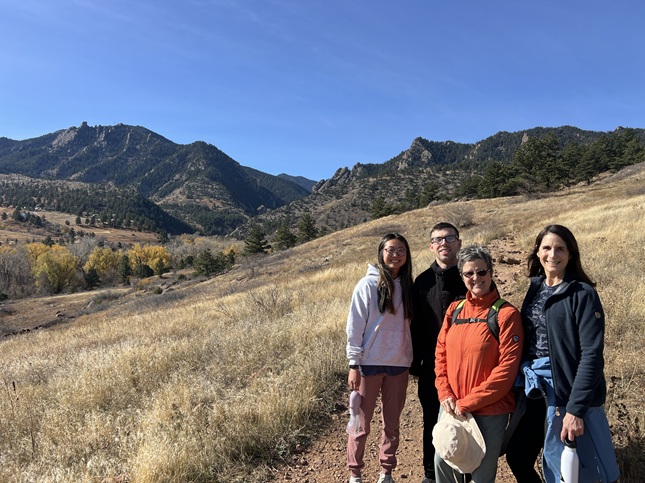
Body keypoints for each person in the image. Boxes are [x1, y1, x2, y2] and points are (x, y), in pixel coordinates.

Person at [505, 225, 619, 483]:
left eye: (560, 249)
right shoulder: (536, 288)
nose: (552, 254)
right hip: (536, 389)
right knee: (518, 456)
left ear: (570, 254)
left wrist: (576, 410)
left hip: (566, 392)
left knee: (572, 471)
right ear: (537, 252)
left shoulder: (582, 294)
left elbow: (591, 355)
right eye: (546, 248)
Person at [434, 245, 523, 483]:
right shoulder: (454, 310)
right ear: (461, 276)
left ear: (491, 272)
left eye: (481, 272)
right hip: (452, 407)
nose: (476, 278)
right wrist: (445, 394)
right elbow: (440, 356)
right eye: (469, 273)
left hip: (489, 411)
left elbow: (506, 371)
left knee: (481, 476)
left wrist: (467, 403)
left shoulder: (506, 314)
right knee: (442, 464)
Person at [346, 233, 415, 483]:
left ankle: (386, 472)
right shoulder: (367, 285)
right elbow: (355, 326)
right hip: (368, 364)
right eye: (390, 250)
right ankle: (355, 473)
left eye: (401, 250)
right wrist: (353, 363)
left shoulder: (409, 287)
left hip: (399, 364)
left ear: (407, 255)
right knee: (360, 423)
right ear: (381, 253)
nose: (395, 255)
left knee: (392, 424)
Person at [410, 222, 466, 483]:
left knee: (465, 419)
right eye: (438, 239)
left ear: (459, 243)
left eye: (449, 238)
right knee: (432, 420)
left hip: (467, 367)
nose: (444, 243)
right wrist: (415, 364)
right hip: (432, 368)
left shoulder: (471, 277)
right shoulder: (422, 282)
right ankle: (431, 474)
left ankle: (465, 472)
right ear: (431, 246)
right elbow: (415, 326)